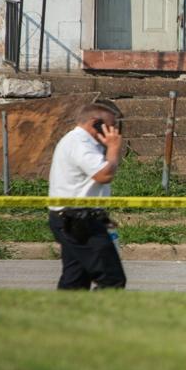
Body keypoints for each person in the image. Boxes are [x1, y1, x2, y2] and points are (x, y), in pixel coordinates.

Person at [47, 101, 126, 290]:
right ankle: (99, 318)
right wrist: (113, 149)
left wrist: (100, 215)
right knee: (112, 279)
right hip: (78, 220)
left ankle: (63, 315)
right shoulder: (80, 143)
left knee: (75, 279)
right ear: (95, 123)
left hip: (77, 217)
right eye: (111, 125)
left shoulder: (84, 143)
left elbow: (85, 185)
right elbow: (103, 175)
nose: (114, 131)